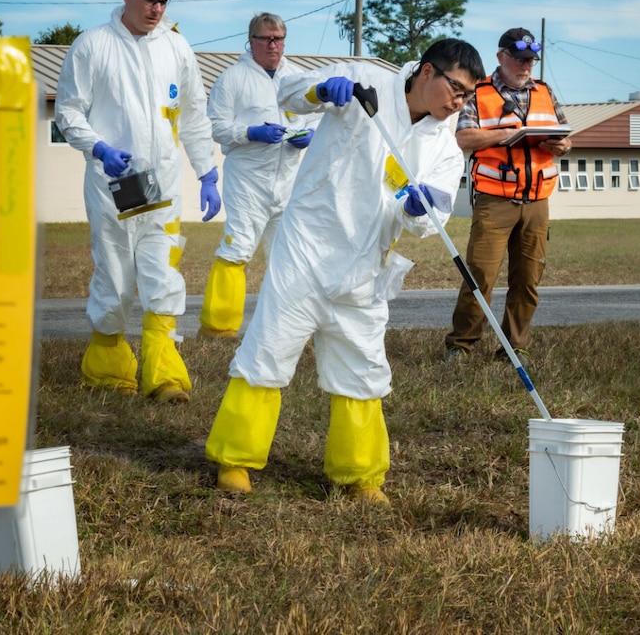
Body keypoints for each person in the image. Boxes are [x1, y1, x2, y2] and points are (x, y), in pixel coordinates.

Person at [205, 39, 486, 501]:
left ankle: (359, 475)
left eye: (467, 96)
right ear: (427, 72)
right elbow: (289, 93)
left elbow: (427, 223)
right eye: (455, 89)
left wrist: (420, 209)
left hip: (365, 268)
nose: (459, 102)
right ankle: (234, 459)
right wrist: (321, 92)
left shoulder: (445, 146)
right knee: (268, 351)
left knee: (363, 367)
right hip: (307, 249)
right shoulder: (367, 81)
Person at [55, 0, 221, 404]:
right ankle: (109, 366)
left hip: (160, 182)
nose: (157, 9)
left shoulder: (177, 46)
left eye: (164, 1)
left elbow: (194, 112)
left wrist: (206, 172)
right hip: (114, 181)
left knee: (162, 269)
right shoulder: (92, 45)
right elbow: (68, 112)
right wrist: (99, 149)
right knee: (114, 271)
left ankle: (163, 372)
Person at [444, 27, 572, 370]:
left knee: (528, 278)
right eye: (519, 59)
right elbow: (463, 137)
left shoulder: (545, 92)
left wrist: (561, 145)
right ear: (500, 56)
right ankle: (462, 344)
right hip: (494, 200)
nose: (526, 66)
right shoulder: (479, 92)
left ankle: (515, 347)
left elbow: (565, 135)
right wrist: (507, 135)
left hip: (536, 200)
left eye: (530, 60)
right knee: (481, 275)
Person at [198, 13, 321, 338]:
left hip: (289, 182)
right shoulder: (233, 79)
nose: (272, 45)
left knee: (288, 256)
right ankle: (218, 329)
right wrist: (251, 132)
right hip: (248, 183)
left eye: (278, 38)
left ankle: (284, 328)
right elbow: (215, 126)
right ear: (250, 41)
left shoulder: (297, 76)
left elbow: (316, 119)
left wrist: (309, 135)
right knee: (237, 249)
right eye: (265, 38)